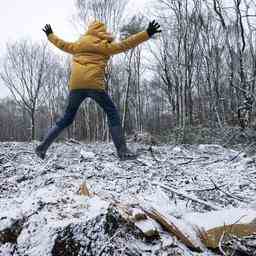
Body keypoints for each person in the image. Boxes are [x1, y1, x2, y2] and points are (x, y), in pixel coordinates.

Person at [35, 20, 161, 161]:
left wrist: (50, 35)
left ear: (89, 30)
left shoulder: (78, 45)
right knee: (112, 113)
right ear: (102, 32)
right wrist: (147, 33)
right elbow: (126, 44)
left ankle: (42, 148)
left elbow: (62, 44)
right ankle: (123, 151)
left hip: (76, 85)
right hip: (94, 84)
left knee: (67, 118)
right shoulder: (104, 46)